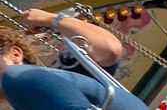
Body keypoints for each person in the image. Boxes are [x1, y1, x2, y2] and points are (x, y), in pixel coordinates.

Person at [0, 8, 146, 110]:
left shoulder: (62, 75)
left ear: (15, 54)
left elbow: (108, 49)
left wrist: (51, 20)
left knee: (13, 77)